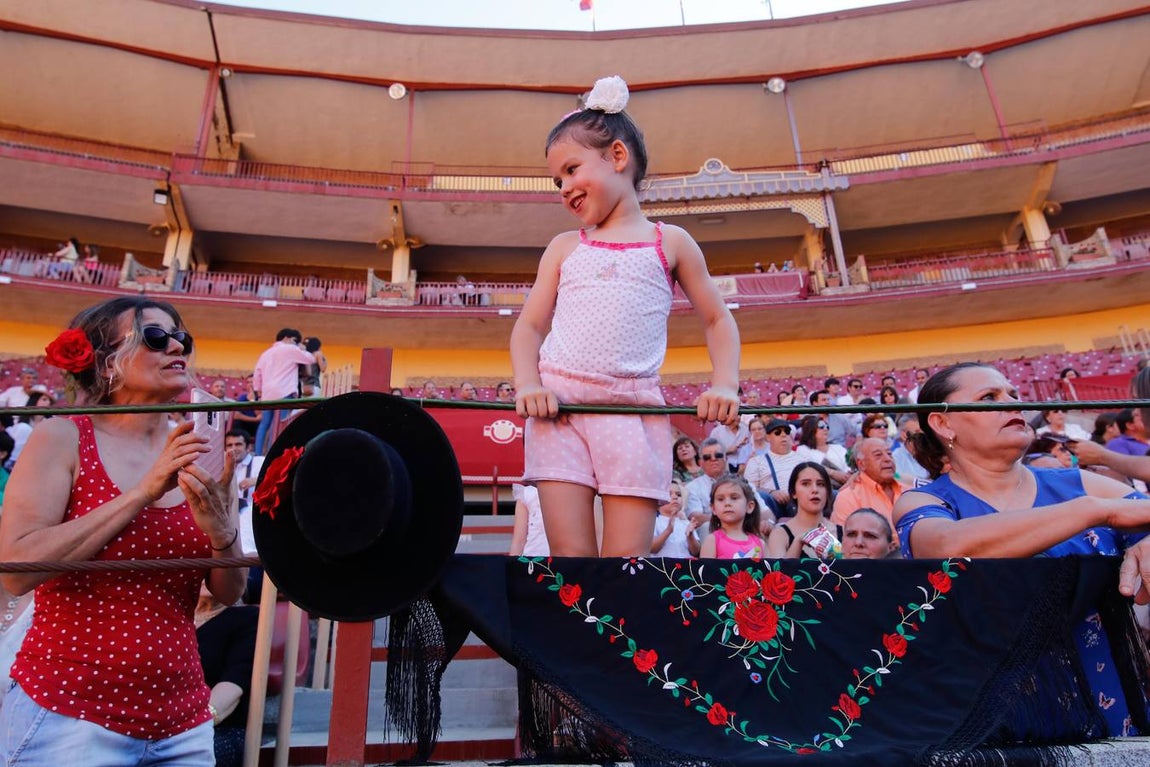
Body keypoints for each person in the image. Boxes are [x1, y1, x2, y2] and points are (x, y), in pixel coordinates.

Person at [0, 296, 245, 763]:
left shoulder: (199, 445)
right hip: (69, 716)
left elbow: (229, 591)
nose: (177, 346)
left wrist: (222, 533)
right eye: (156, 336)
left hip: (183, 720)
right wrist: (142, 493)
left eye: (182, 338)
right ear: (106, 359)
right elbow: (16, 568)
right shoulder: (63, 436)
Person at [511, 76, 740, 557]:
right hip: (558, 410)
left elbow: (718, 319)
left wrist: (725, 385)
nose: (565, 188)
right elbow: (529, 327)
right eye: (558, 181)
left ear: (617, 157)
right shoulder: (564, 247)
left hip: (631, 411)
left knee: (623, 568)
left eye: (572, 169)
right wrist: (528, 385)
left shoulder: (671, 241)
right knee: (571, 565)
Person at [892, 362, 1150, 737]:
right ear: (943, 423)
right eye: (989, 398)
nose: (1014, 405)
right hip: (990, 718)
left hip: (1105, 701)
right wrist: (1093, 511)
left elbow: (1141, 513)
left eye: (1013, 395)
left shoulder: (1079, 482)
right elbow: (949, 545)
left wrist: (1145, 536)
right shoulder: (923, 502)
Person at [195, 584, 259, 767]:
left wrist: (190, 727)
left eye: (214, 567)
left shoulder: (248, 619)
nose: (206, 575)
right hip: (160, 727)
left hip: (221, 729)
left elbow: (233, 686)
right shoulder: (170, 618)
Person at [252, 328, 315, 454]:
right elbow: (310, 359)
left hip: (267, 393)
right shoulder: (291, 349)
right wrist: (302, 349)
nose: (296, 343)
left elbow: (257, 374)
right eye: (295, 340)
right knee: (280, 424)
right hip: (284, 391)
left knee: (265, 424)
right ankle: (273, 452)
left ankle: (258, 454)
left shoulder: (266, 353)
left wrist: (258, 391)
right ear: (287, 338)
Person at [830, 437, 908, 537]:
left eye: (889, 454)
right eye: (878, 455)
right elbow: (846, 544)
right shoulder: (849, 497)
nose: (888, 459)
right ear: (861, 464)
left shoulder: (909, 491)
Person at [766, 462, 840, 559]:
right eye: (805, 484)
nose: (815, 490)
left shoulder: (843, 532)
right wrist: (798, 542)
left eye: (821, 484)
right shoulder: (780, 535)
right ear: (793, 493)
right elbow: (778, 572)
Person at [698, 474, 765, 560]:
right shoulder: (712, 541)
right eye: (721, 499)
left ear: (749, 506)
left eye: (734, 498)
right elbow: (706, 572)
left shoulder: (760, 544)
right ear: (713, 508)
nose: (727, 503)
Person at [793, 415, 850, 487]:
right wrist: (833, 473)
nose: (825, 429)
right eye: (821, 426)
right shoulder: (803, 449)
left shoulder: (838, 448)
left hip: (845, 486)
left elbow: (848, 467)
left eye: (827, 426)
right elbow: (809, 467)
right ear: (811, 429)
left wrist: (847, 476)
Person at [651, 479, 702, 558]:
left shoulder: (686, 523)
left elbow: (696, 552)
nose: (675, 497)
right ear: (657, 502)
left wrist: (690, 536)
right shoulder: (654, 522)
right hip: (663, 567)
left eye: (678, 495)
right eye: (669, 494)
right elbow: (652, 548)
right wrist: (668, 531)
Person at [509, 483, 549, 557]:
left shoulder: (572, 492)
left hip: (563, 560)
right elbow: (519, 540)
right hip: (532, 557)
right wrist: (513, 565)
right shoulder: (526, 494)